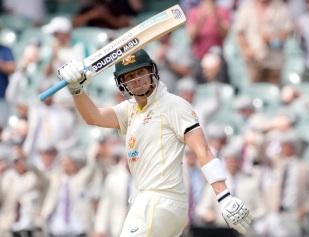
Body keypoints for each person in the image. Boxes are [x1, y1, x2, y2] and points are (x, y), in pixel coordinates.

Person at [57, 49, 252, 236]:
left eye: (140, 72)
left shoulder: (174, 105)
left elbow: (203, 152)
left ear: (152, 72)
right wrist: (76, 89)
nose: (137, 80)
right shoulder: (130, 110)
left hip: (162, 199)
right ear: (122, 83)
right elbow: (94, 117)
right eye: (129, 77)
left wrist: (224, 196)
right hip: (148, 200)